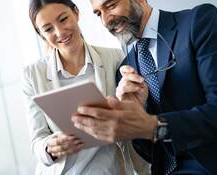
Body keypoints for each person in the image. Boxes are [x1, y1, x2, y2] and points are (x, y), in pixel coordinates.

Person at [71, 0, 217, 174]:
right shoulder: (126, 68)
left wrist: (154, 125)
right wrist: (137, 113)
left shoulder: (198, 22)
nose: (106, 20)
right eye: (98, 14)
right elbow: (151, 153)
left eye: (111, 5)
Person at [22, 0, 149, 174]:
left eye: (63, 19)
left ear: (76, 13)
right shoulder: (32, 75)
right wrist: (49, 147)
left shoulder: (115, 58)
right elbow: (38, 140)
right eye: (48, 29)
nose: (59, 32)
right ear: (41, 34)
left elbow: (136, 116)